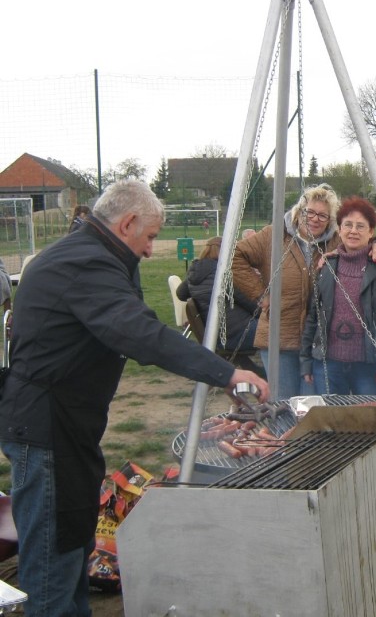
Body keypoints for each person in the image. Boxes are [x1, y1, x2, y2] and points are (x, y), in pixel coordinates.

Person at [0, 179, 268, 617]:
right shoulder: (84, 264)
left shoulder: (93, 255)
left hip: (68, 425)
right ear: (127, 223)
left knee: (73, 540)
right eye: (150, 237)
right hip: (47, 426)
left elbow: (135, 325)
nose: (149, 249)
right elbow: (141, 333)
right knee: (52, 557)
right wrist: (226, 372)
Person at [232, 184, 376, 401]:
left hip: (317, 344)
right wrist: (260, 294)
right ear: (299, 211)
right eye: (310, 212)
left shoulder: (335, 240)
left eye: (323, 216)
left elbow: (361, 238)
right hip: (280, 337)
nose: (315, 219)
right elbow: (235, 256)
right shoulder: (273, 236)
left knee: (313, 407)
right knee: (284, 405)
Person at [300, 197, 376, 395]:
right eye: (348, 224)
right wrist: (306, 361)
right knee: (330, 421)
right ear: (339, 229)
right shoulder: (327, 265)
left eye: (360, 226)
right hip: (329, 364)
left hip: (368, 366)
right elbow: (314, 316)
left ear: (371, 232)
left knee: (366, 422)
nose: (353, 231)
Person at [176, 236, 259, 352]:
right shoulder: (223, 274)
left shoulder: (195, 272)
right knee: (281, 332)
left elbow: (180, 294)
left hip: (217, 334)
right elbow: (248, 303)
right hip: (237, 334)